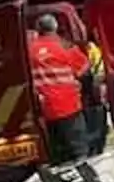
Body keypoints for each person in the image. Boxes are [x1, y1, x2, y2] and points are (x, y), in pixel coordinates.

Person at [29, 13, 90, 164]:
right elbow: (84, 68)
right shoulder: (64, 45)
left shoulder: (29, 51)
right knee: (79, 151)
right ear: (55, 27)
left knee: (58, 154)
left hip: (46, 109)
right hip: (69, 105)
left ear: (38, 29)